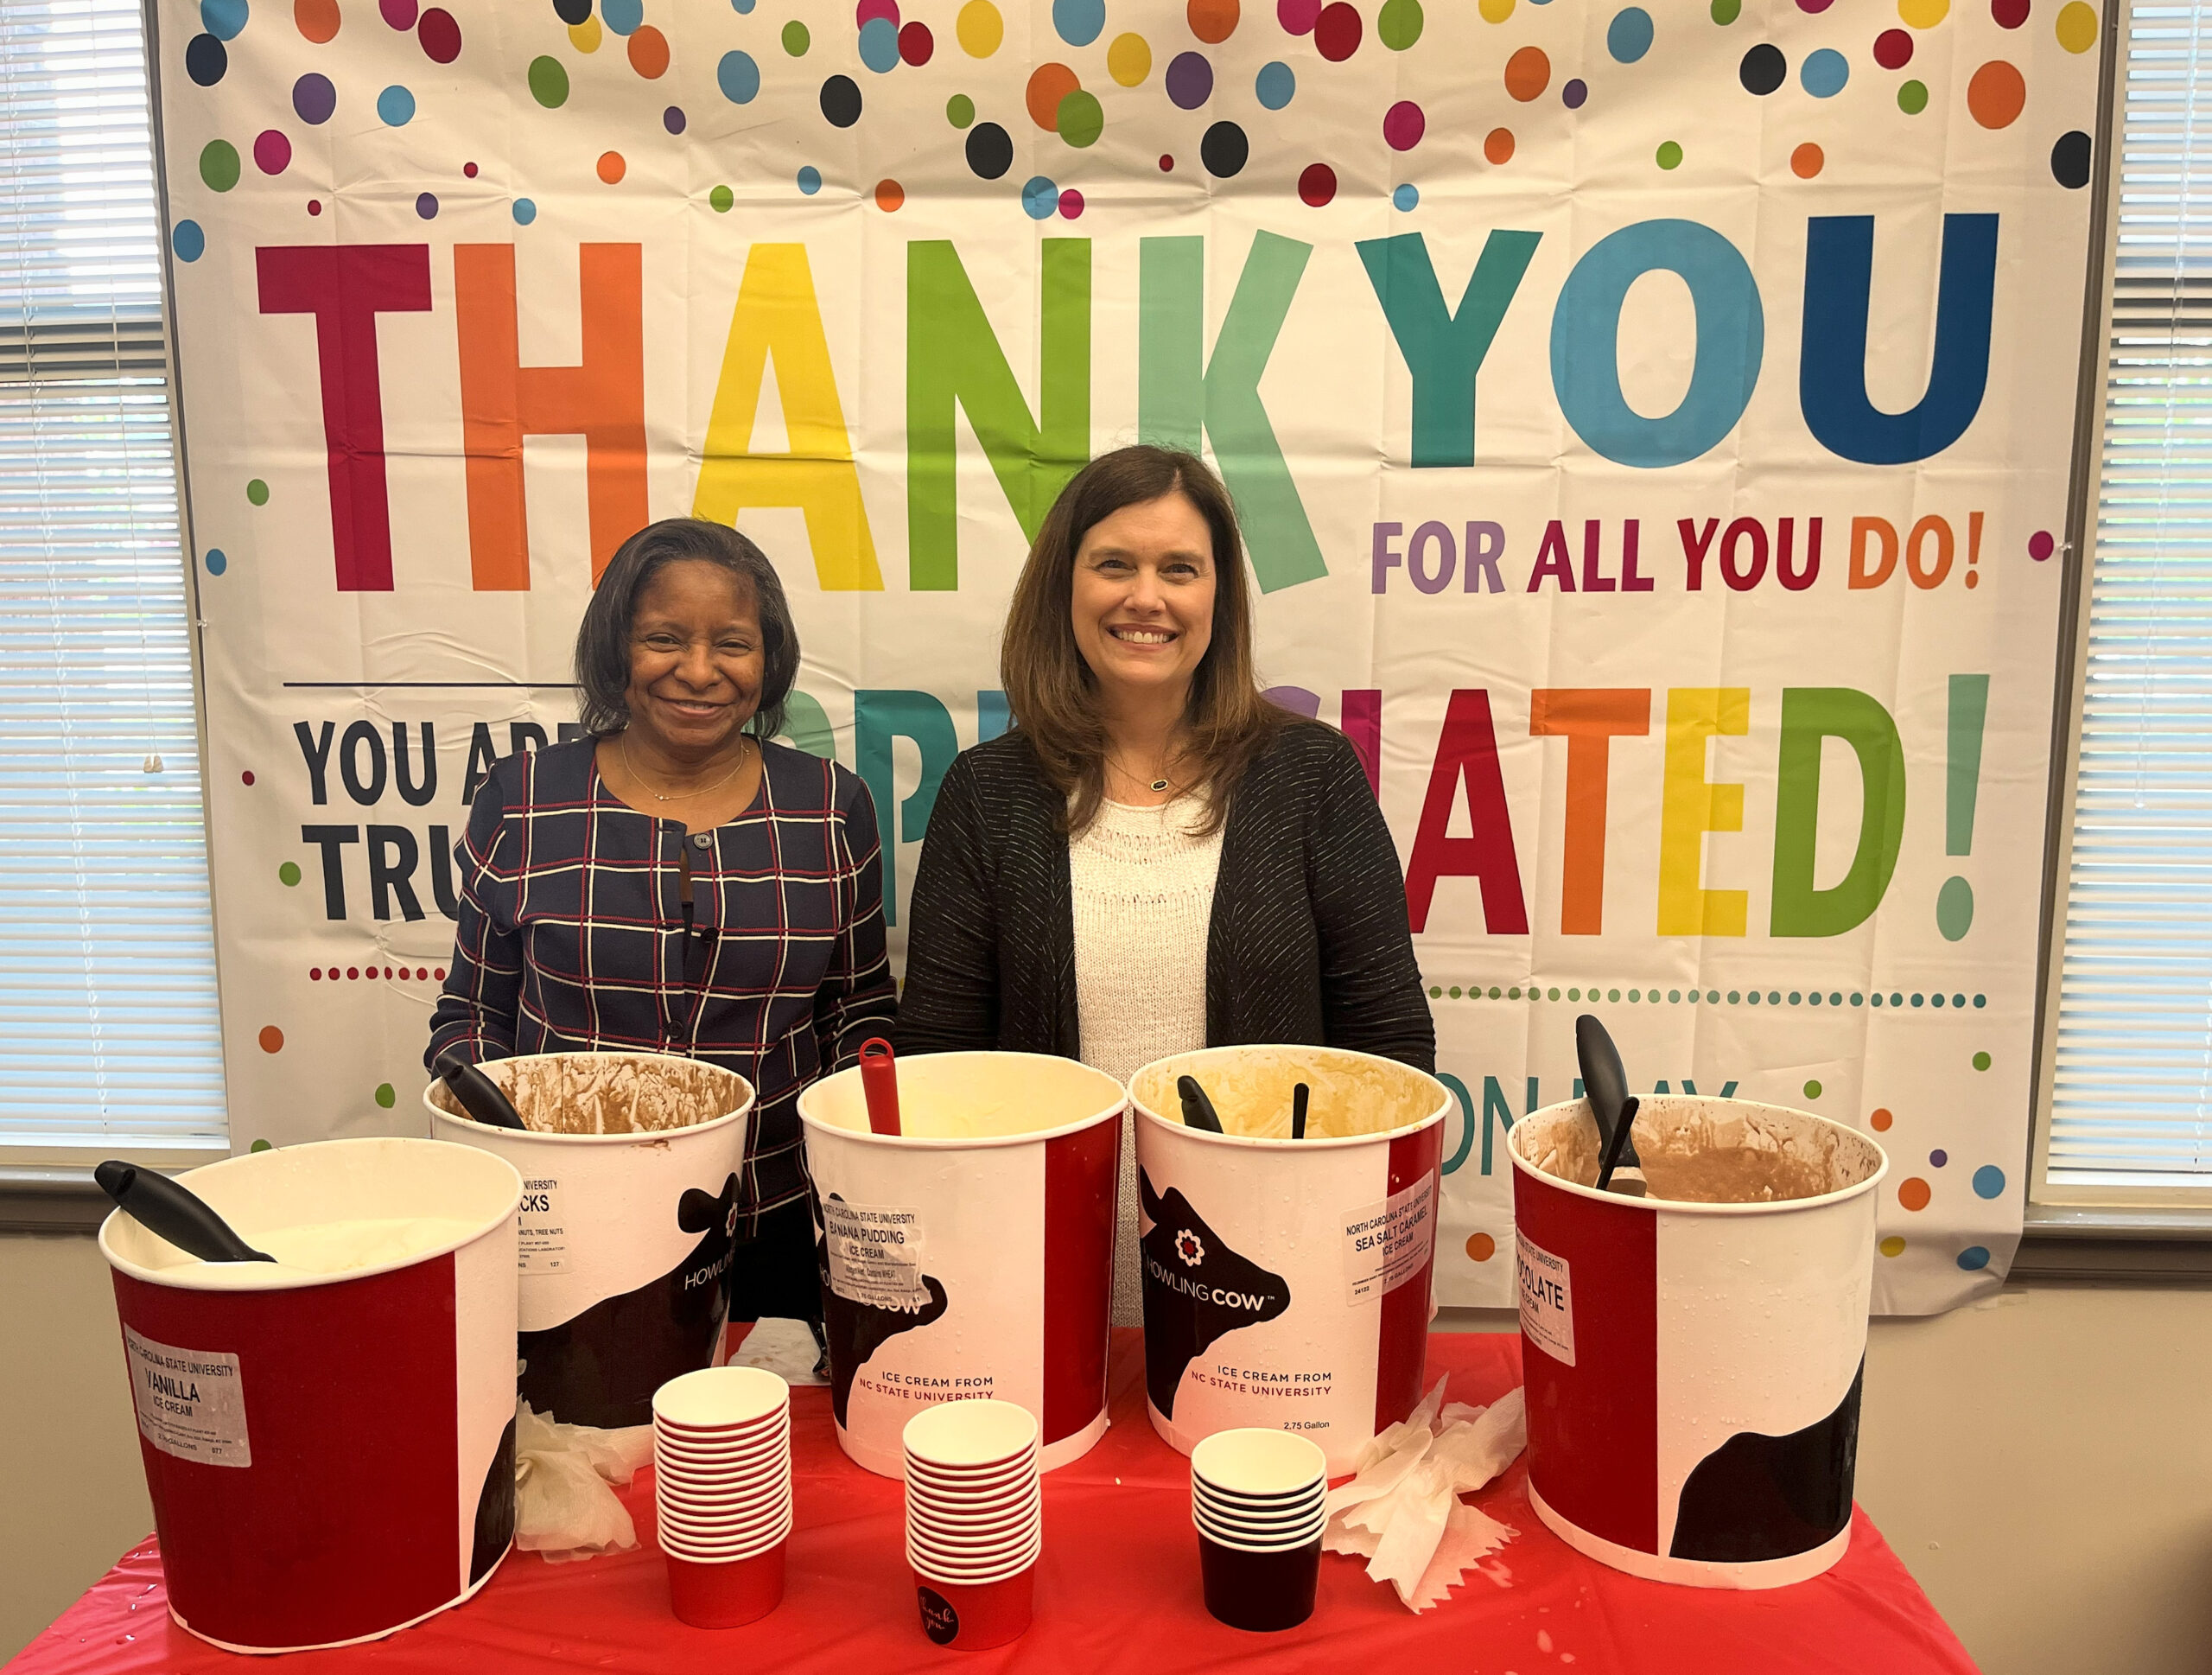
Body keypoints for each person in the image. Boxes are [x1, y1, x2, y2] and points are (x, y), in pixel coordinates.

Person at [895, 445, 1433, 1322]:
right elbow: (936, 1070)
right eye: (1114, 564)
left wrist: (1344, 1271)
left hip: (1281, 1300)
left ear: (1216, 599)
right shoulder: (986, 793)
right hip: (1033, 1303)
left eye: (1178, 569)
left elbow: (1389, 1047)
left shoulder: (1309, 776)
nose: (1146, 597)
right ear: (1062, 589)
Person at [427, 518, 896, 1341]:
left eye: (733, 644)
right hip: (568, 1236)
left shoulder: (830, 808)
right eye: (664, 638)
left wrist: (873, 1168)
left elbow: (857, 1014)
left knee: (759, 1460)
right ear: (617, 649)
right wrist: (502, 1141)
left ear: (770, 659)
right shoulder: (525, 800)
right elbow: (471, 1016)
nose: (700, 671)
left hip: (780, 1224)